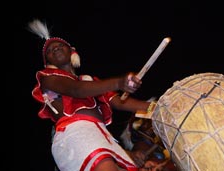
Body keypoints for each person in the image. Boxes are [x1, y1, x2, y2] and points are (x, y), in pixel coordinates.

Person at [28, 19, 157, 171]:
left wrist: (160, 108)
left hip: (101, 134)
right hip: (74, 132)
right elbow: (76, 90)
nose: (55, 49)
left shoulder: (89, 81)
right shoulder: (48, 78)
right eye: (49, 51)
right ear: (47, 62)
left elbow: (118, 102)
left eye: (59, 46)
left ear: (72, 51)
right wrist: (119, 83)